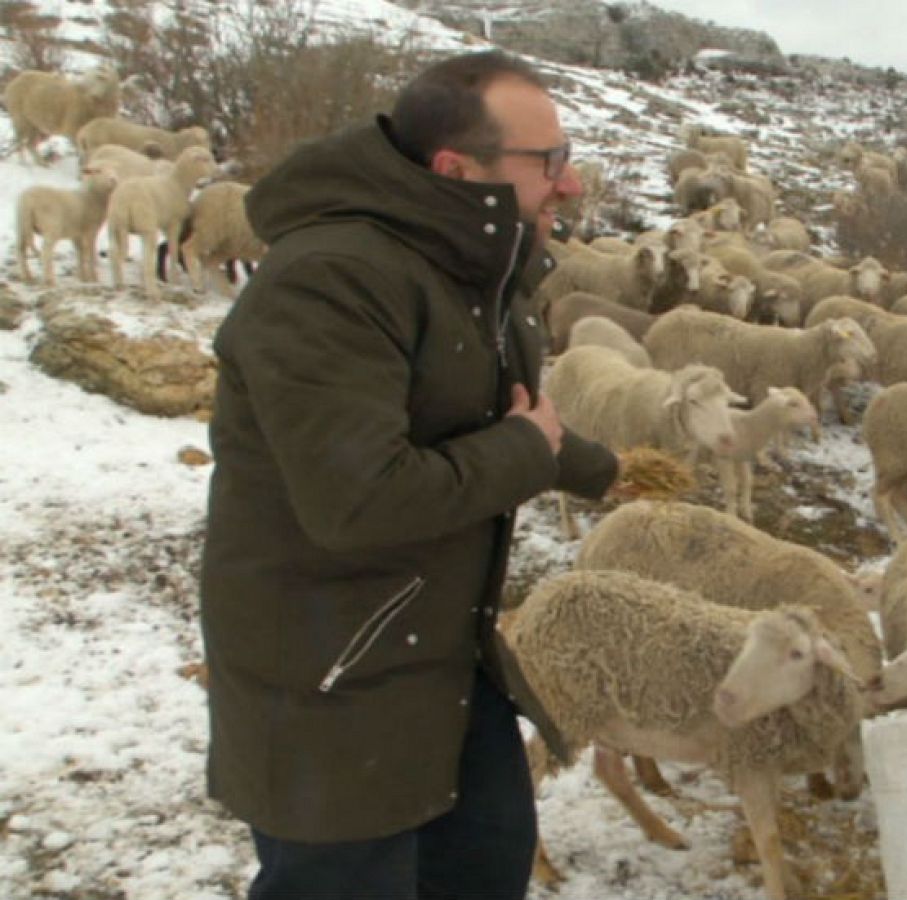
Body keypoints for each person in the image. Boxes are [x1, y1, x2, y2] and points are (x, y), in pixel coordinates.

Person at [199, 50, 618, 899]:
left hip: (442, 661)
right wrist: (528, 453)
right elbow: (359, 500)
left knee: (483, 869)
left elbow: (490, 415)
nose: (569, 187)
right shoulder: (331, 279)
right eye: (551, 163)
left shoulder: (471, 275)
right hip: (329, 686)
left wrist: (611, 471)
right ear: (457, 171)